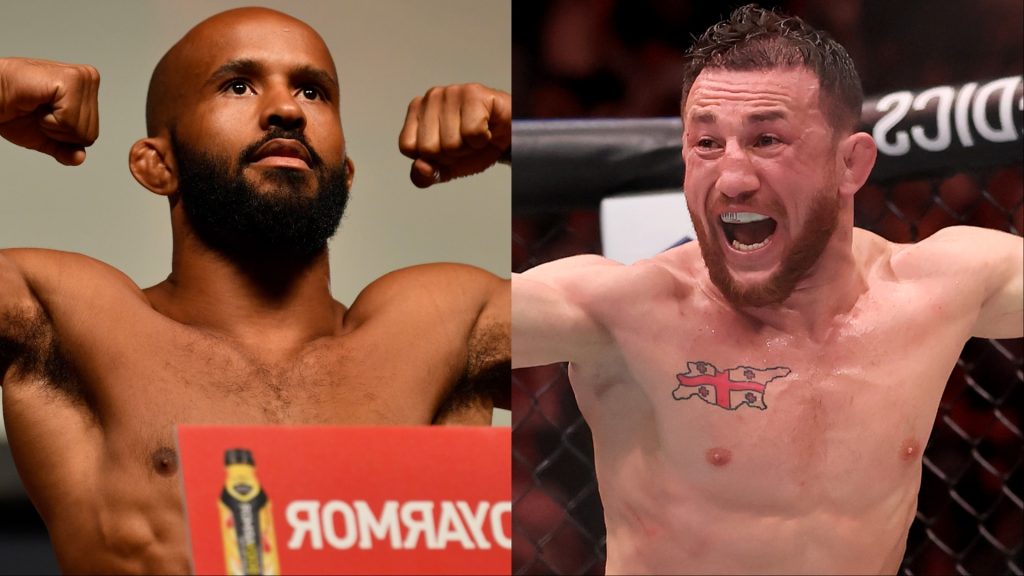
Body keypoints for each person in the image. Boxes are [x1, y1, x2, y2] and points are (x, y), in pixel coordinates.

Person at [512, 4, 1023, 574]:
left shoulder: (935, 291)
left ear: (850, 164)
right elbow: (445, 322)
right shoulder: (624, 310)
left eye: (767, 140)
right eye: (707, 144)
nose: (732, 178)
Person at [0, 6, 510, 574]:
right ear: (157, 165)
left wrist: (526, 138)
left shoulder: (442, 322)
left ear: (345, 173)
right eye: (238, 86)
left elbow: (598, 324)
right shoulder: (70, 315)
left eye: (312, 91)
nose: (287, 110)